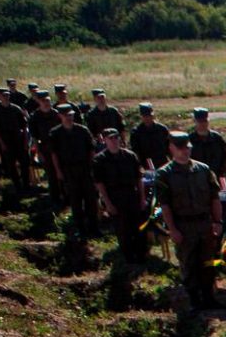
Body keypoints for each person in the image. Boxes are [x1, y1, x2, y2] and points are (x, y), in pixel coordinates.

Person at [157, 131, 223, 308]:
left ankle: (209, 297)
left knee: (208, 262)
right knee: (188, 263)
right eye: (180, 148)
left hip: (204, 223)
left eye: (187, 148)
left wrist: (217, 221)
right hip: (183, 225)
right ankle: (194, 300)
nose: (185, 151)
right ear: (171, 148)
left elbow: (214, 198)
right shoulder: (164, 174)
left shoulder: (203, 170)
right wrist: (172, 229)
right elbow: (165, 206)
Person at [47, 104, 99, 256]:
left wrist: (91, 168)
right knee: (75, 200)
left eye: (70, 115)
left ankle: (94, 228)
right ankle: (80, 229)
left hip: (84, 169)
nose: (69, 117)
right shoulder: (55, 133)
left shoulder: (82, 130)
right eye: (66, 115)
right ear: (60, 116)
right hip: (68, 171)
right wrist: (58, 171)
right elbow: (54, 154)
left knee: (91, 199)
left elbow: (91, 149)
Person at [92, 126, 148, 266]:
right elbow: (100, 184)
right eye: (110, 138)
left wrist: (142, 199)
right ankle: (129, 259)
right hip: (114, 196)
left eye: (116, 137)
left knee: (139, 227)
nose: (114, 141)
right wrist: (107, 203)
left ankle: (142, 257)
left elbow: (139, 178)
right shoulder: (100, 160)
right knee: (123, 229)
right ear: (105, 140)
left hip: (132, 194)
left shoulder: (130, 156)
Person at [0, 88, 33, 191]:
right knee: (11, 164)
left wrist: (26, 141)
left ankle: (26, 184)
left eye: (7, 95)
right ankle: (17, 185)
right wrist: (1, 143)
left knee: (24, 163)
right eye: (4, 95)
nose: (6, 97)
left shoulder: (16, 108)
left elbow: (24, 126)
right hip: (6, 140)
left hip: (18, 139)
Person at [188, 109, 226, 185]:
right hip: (197, 180)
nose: (203, 124)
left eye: (205, 121)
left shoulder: (217, 139)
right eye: (200, 121)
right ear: (195, 121)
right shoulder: (190, 140)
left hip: (217, 179)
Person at [129, 102, 169, 169]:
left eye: (149, 116)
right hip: (146, 165)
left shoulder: (162, 129)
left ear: (153, 116)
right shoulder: (136, 132)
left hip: (163, 164)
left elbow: (169, 148)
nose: (147, 118)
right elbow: (135, 152)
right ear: (141, 116)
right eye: (144, 116)